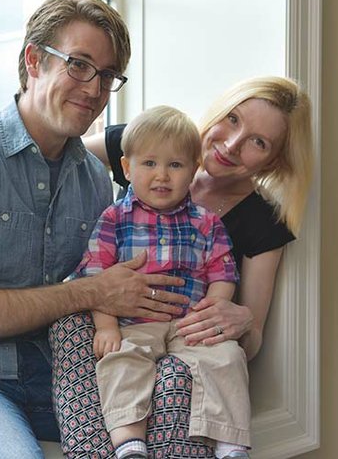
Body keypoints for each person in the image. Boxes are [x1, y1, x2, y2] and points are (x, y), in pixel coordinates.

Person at [0, 75, 314, 457]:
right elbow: (37, 150)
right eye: (233, 119)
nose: (231, 143)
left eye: (257, 142)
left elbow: (253, 335)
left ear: (273, 161)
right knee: (74, 327)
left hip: (184, 342)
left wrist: (240, 319)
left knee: (176, 378)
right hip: (119, 329)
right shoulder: (148, 140)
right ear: (130, 166)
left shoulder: (264, 224)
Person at [0, 0, 192, 459]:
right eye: (80, 65)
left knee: (167, 426)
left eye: (107, 76)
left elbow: (174, 147)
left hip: (47, 368)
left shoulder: (91, 178)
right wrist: (93, 292)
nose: (93, 89)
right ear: (34, 61)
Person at [71, 106, 250, 459]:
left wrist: (212, 311)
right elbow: (96, 276)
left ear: (193, 170)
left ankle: (229, 443)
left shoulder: (206, 223)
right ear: (126, 168)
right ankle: (129, 442)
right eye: (149, 164)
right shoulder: (115, 219)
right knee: (122, 361)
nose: (162, 176)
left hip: (189, 324)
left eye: (175, 165)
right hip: (135, 323)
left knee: (227, 357)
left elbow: (222, 271)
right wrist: (106, 326)